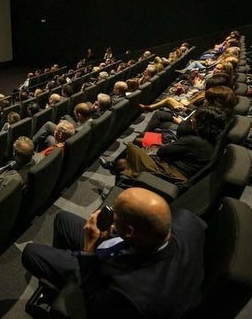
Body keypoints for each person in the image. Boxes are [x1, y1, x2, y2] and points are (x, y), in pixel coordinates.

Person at [21, 187, 205, 318]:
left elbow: (91, 300)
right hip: (126, 247)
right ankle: (64, 268)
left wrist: (89, 247)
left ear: (130, 232)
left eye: (115, 217)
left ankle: (64, 280)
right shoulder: (188, 220)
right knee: (63, 219)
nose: (110, 218)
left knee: (31, 252)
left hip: (99, 278)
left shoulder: (130, 295)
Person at [100, 106, 226, 183]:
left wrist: (154, 148)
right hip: (174, 163)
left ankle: (119, 172)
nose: (192, 119)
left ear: (203, 124)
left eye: (196, 118)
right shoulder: (209, 138)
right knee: (139, 141)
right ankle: (119, 170)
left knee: (130, 149)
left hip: (172, 172)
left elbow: (162, 152)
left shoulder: (194, 140)